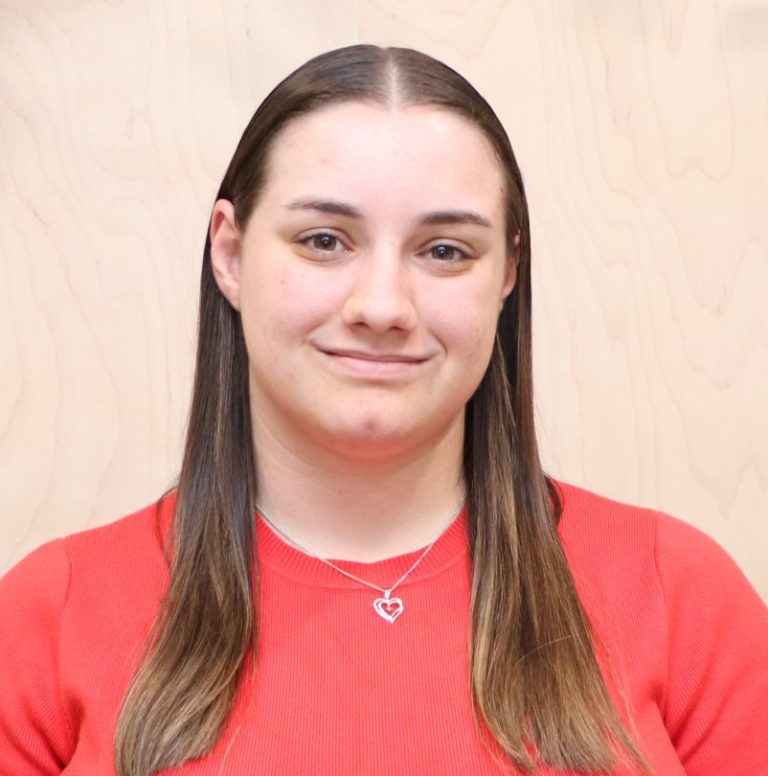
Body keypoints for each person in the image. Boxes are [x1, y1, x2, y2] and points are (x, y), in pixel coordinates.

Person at [0, 45, 766, 776]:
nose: (381, 305)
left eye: (444, 251)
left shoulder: (681, 598)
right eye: (325, 240)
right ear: (230, 255)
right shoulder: (48, 616)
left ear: (508, 273)